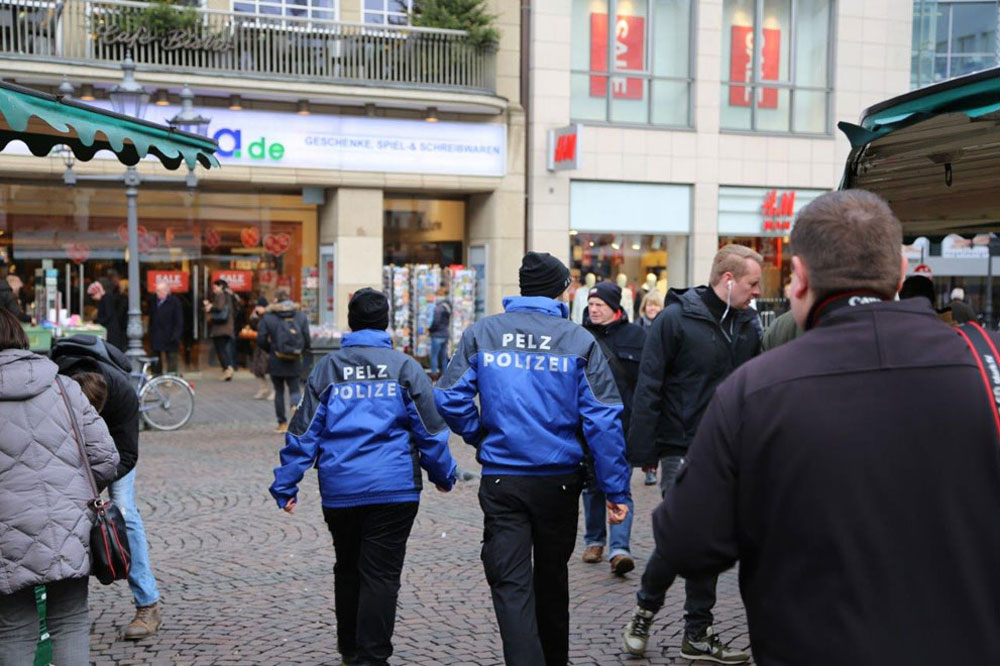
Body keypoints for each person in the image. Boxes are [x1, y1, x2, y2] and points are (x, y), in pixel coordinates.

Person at [652, 189, 1000, 664]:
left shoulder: (753, 389)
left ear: (798, 277)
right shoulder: (989, 363)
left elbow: (686, 543)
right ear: (900, 271)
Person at [435, 251, 631, 666]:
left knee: (510, 581)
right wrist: (615, 489)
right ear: (561, 289)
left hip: (504, 477)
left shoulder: (484, 333)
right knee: (551, 579)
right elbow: (604, 419)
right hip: (558, 479)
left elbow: (448, 397)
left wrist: (480, 433)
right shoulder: (578, 339)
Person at [270, 288, 456, 666]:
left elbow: (304, 431)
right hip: (395, 488)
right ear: (385, 322)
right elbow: (430, 430)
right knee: (382, 574)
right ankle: (372, 656)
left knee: (348, 567)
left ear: (351, 323)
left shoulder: (328, 369)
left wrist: (286, 483)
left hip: (342, 490)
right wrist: (444, 473)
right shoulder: (405, 368)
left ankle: (351, 649)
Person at [622, 244, 762, 663]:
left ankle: (697, 632)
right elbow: (649, 384)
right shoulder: (675, 319)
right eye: (753, 284)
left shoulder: (748, 323)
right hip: (681, 446)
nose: (758, 292)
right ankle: (646, 611)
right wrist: (644, 449)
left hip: (731, 449)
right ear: (729, 279)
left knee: (711, 539)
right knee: (683, 535)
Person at [0, 309, 119, 666]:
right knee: (70, 622)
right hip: (69, 526)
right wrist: (70, 490)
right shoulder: (64, 387)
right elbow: (107, 459)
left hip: (5, 534)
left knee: (13, 629)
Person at [50, 334, 163, 641]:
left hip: (113, 450)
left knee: (124, 510)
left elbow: (127, 455)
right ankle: (60, 611)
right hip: (64, 443)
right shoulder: (54, 386)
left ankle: (147, 604)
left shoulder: (123, 395)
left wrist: (96, 482)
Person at [580, 281, 645, 575]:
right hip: (587, 426)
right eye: (591, 304)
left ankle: (619, 549)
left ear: (615, 308)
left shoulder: (637, 336)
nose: (593, 310)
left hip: (625, 425)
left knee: (619, 483)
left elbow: (646, 383)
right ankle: (594, 540)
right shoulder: (578, 336)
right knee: (592, 485)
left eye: (599, 305)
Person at [257, 289, 311, 434]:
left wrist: (271, 349)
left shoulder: (269, 317)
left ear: (276, 300)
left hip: (276, 358)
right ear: (289, 298)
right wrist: (299, 351)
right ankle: (296, 413)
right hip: (294, 359)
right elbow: (307, 339)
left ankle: (282, 423)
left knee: (279, 391)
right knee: (294, 388)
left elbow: (261, 339)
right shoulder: (300, 316)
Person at [148, 280, 183, 375]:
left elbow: (178, 320)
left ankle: (171, 376)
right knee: (155, 356)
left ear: (166, 291)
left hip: (170, 333)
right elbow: (151, 317)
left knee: (171, 356)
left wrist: (176, 335)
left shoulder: (174, 301)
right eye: (157, 290)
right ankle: (156, 375)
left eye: (159, 291)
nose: (157, 293)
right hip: (157, 333)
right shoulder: (153, 300)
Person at [204, 279, 235, 380]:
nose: (214, 290)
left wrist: (210, 307)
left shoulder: (221, 295)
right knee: (223, 349)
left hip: (221, 328)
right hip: (227, 327)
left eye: (215, 287)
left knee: (220, 349)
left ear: (221, 286)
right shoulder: (228, 295)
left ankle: (227, 369)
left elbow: (219, 308)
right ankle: (228, 369)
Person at [89, 279, 126, 351]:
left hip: (111, 330)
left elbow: (108, 315)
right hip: (109, 328)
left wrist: (95, 322)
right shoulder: (104, 299)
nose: (92, 297)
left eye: (93, 294)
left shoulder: (106, 299)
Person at [249, 296, 274, 400]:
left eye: (259, 306)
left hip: (268, 345)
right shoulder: (260, 316)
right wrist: (253, 316)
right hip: (261, 345)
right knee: (258, 369)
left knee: (269, 369)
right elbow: (254, 327)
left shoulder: (269, 317)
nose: (257, 308)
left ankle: (274, 391)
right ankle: (263, 389)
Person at [428, 285, 452, 378]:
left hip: (437, 334)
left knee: (434, 355)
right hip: (445, 333)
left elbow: (436, 321)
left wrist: (430, 330)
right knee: (443, 356)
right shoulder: (447, 307)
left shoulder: (439, 308)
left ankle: (434, 373)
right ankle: (445, 374)